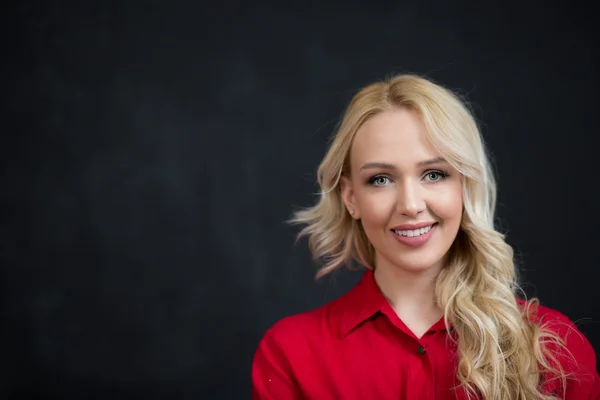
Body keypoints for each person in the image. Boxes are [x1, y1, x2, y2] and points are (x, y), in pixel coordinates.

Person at [251, 74, 600, 399]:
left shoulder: (552, 346)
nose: (410, 205)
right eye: (381, 179)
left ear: (466, 185)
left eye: (434, 174)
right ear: (350, 197)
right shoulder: (290, 354)